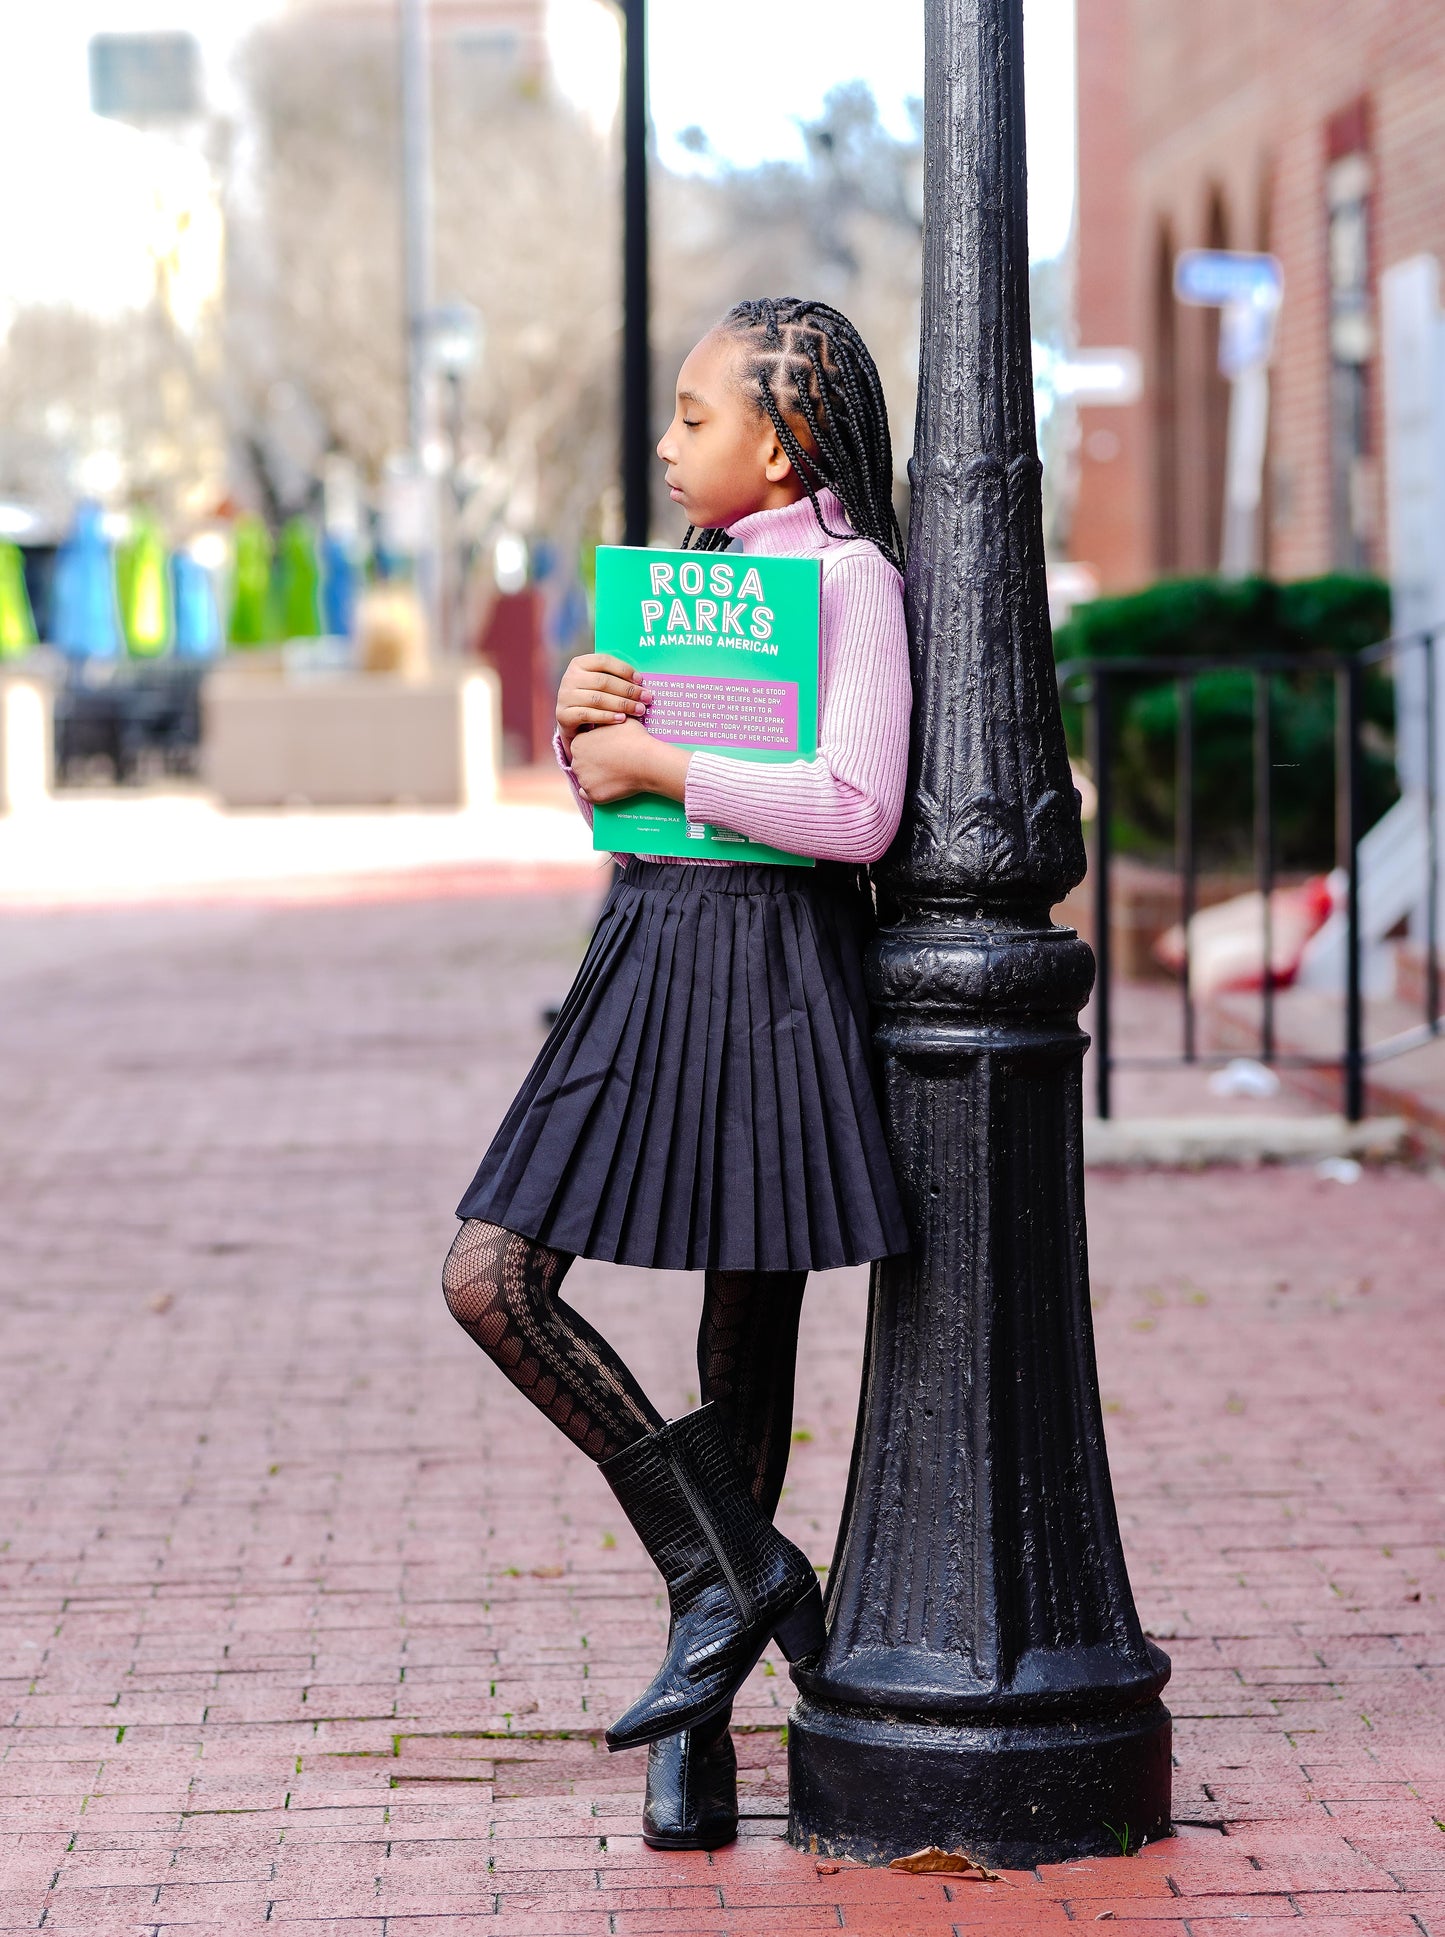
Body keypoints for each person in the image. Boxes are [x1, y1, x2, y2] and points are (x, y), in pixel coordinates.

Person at [442, 298, 912, 1851]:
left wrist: (658, 763)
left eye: (696, 418)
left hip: (778, 970)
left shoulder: (849, 582)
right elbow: (633, 812)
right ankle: (741, 1574)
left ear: (780, 443)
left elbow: (851, 810)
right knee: (493, 1274)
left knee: (743, 1339)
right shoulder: (687, 585)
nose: (666, 443)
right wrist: (589, 733)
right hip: (647, 954)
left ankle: (699, 1724)